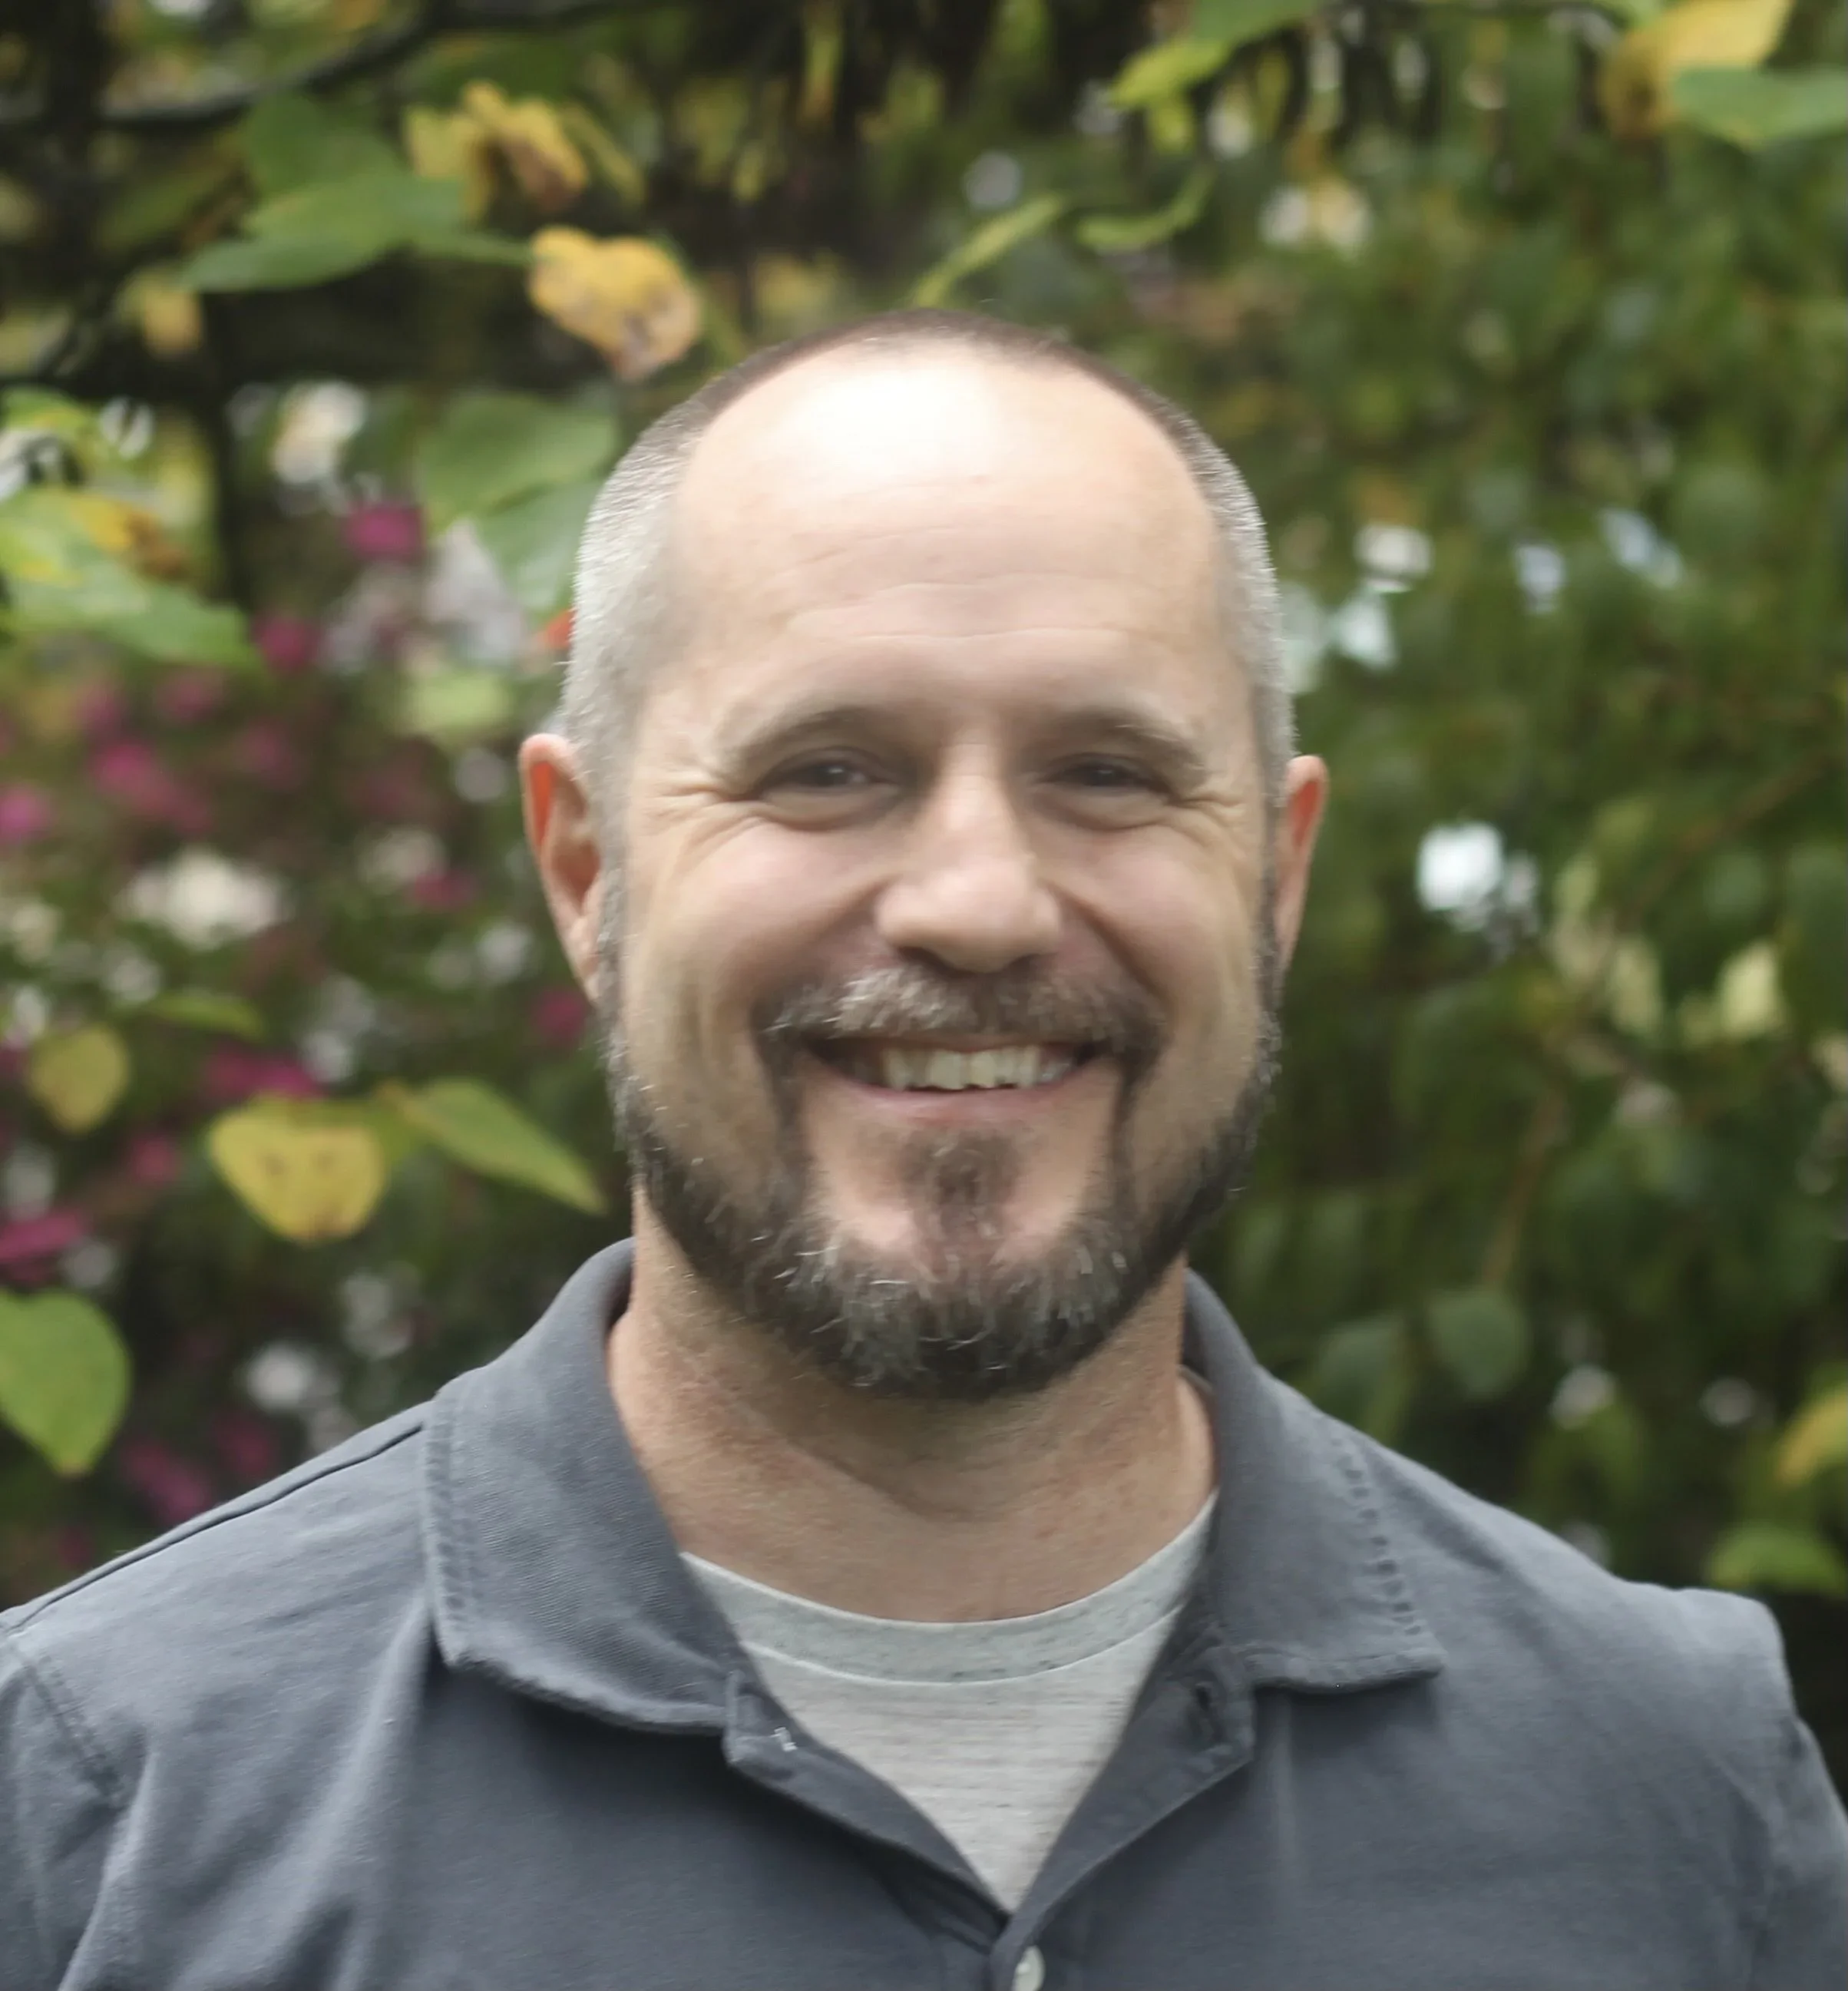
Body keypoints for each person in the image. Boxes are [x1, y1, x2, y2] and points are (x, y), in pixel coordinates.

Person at [2, 311, 1843, 1991]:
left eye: (1110, 773)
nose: (976, 902)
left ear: (1276, 878)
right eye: (828, 768)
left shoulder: (1674, 1791)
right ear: (585, 871)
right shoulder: (99, 1803)